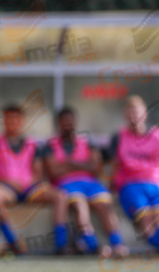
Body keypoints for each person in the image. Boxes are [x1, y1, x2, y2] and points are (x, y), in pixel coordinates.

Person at [43, 106, 128, 258]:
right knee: (80, 205)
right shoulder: (50, 146)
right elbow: (53, 171)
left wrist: (69, 164)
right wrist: (83, 165)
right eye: (64, 121)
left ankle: (117, 244)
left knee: (105, 206)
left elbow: (95, 167)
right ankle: (93, 245)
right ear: (58, 123)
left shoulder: (87, 142)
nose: (68, 124)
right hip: (66, 184)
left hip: (91, 184)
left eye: (71, 121)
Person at [0, 104, 56, 254]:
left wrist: (27, 183)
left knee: (60, 196)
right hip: (5, 188)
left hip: (30, 188)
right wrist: (10, 183)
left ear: (22, 121)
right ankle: (14, 243)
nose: (13, 122)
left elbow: (39, 173)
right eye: (9, 118)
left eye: (16, 118)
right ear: (3, 121)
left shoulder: (33, 144)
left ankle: (61, 244)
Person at [107, 95, 159, 252]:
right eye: (130, 113)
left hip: (155, 185)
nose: (133, 117)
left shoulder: (158, 137)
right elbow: (113, 166)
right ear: (125, 115)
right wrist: (111, 189)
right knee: (145, 218)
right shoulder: (119, 137)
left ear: (145, 114)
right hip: (129, 185)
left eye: (136, 112)